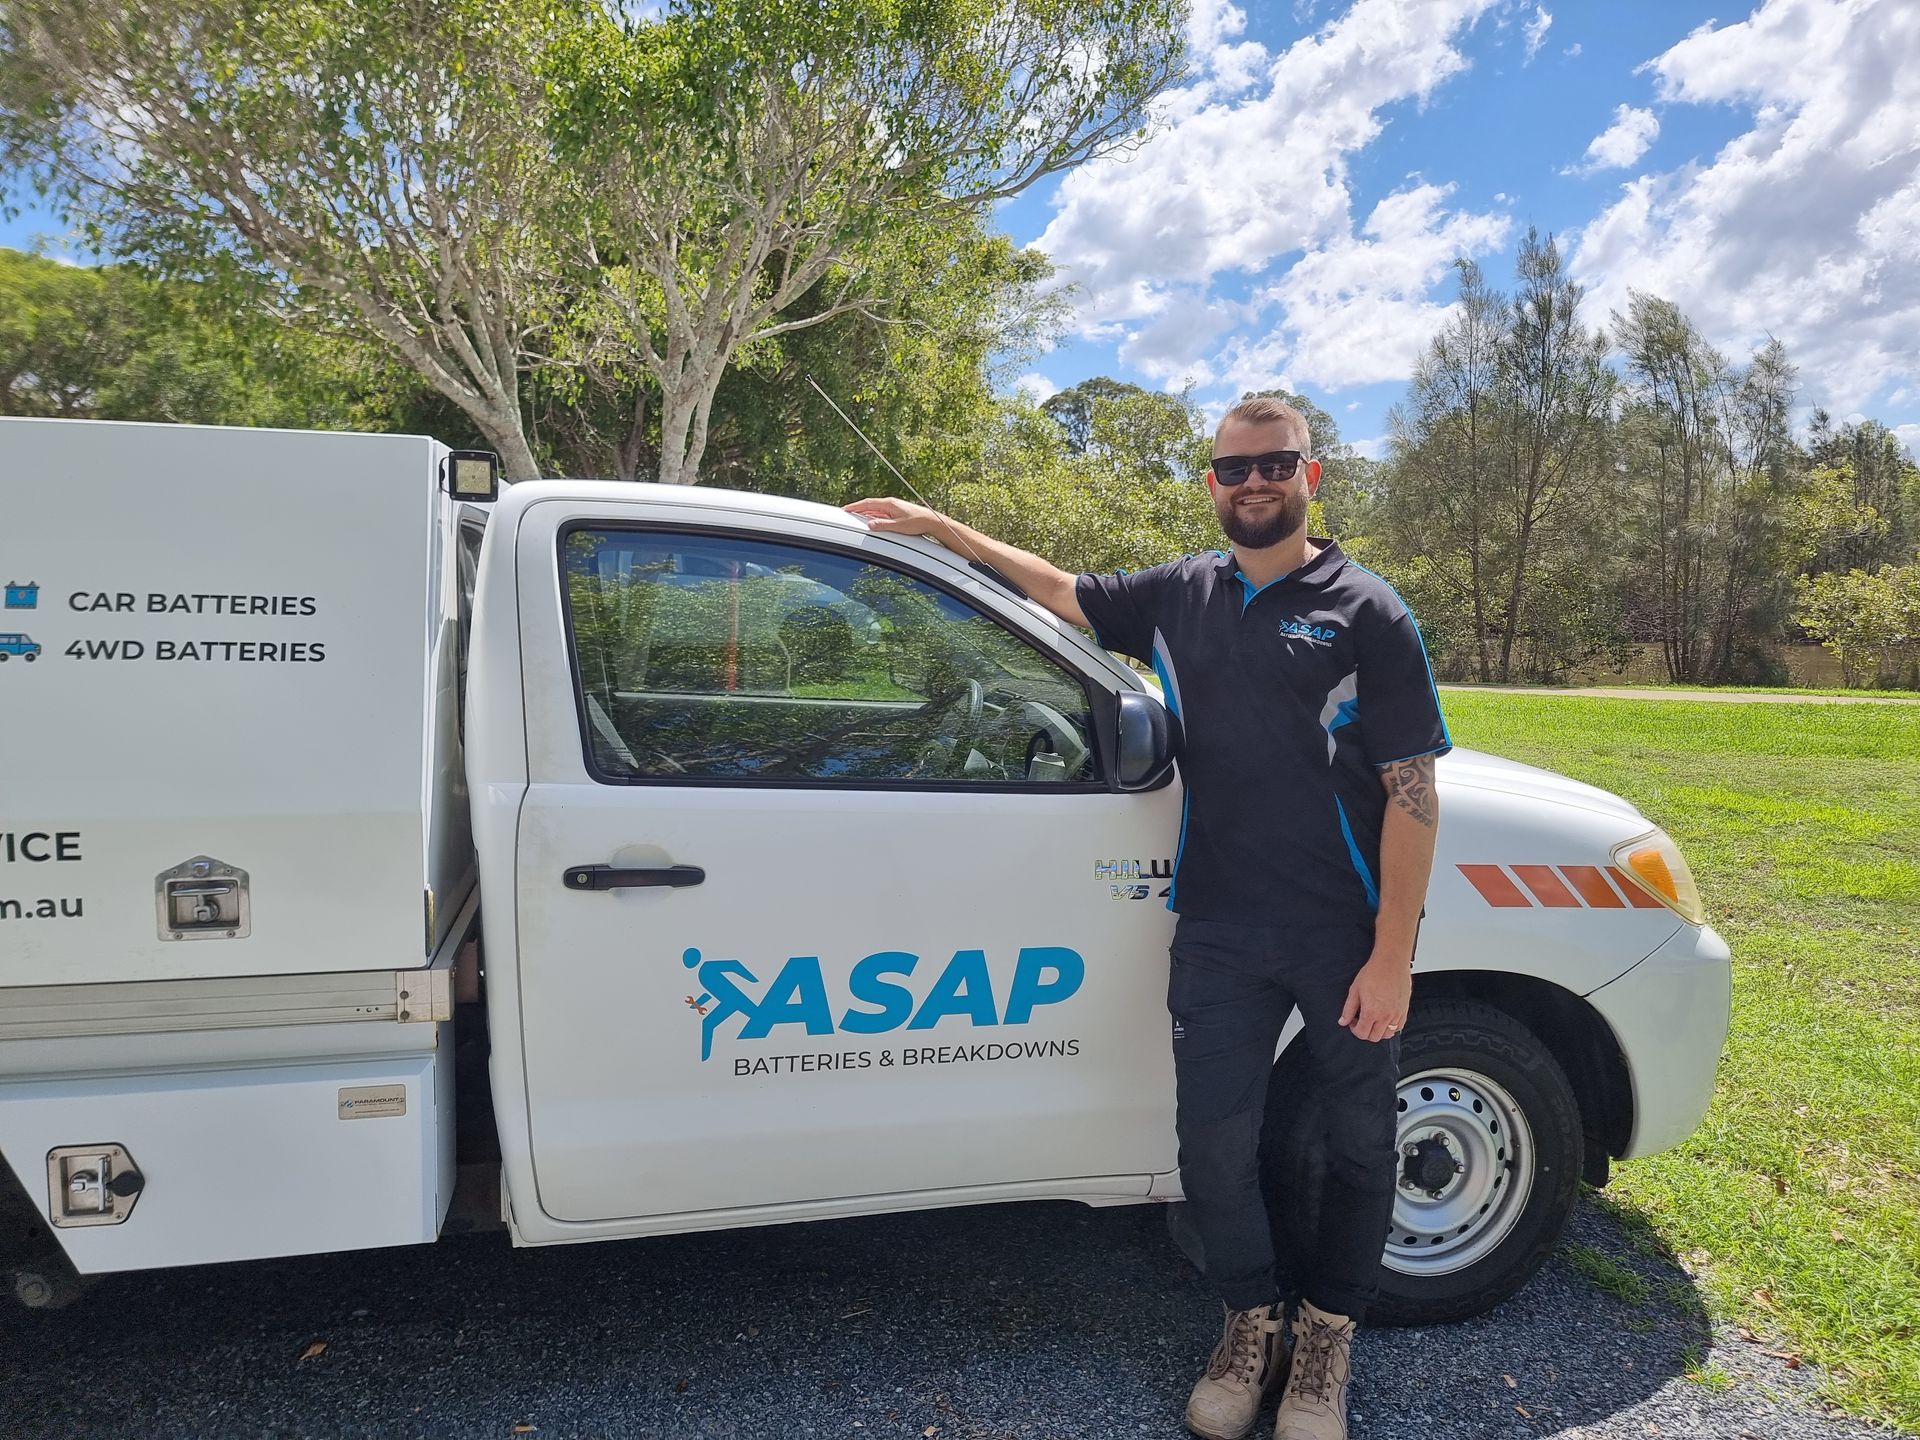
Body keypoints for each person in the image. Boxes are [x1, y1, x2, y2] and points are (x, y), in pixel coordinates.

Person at [845, 395, 1448, 1440]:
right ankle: (1249, 1325)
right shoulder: (1179, 593)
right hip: (1217, 927)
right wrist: (943, 530)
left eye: (1275, 464)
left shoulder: (1368, 612)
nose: (1254, 483)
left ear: (1311, 475)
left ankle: (1326, 1343)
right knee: (1210, 1150)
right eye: (1234, 467)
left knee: (1360, 1143)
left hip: (1342, 934)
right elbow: (1056, 590)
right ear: (1211, 482)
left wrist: (1392, 953)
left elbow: (1414, 794)